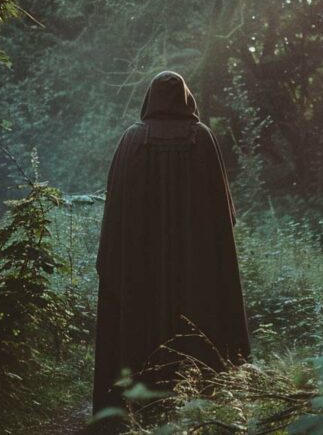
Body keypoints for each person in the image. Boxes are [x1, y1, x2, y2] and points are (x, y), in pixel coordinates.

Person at [92, 71, 250, 416]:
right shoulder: (204, 139)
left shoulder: (131, 141)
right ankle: (200, 397)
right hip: (197, 273)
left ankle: (138, 401)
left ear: (149, 99)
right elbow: (223, 220)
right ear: (186, 99)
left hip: (140, 271)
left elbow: (116, 216)